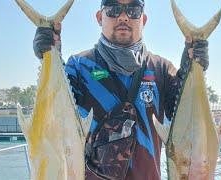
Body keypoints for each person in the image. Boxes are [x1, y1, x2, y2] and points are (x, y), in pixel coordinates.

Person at [33, 0, 209, 179]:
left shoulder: (162, 69)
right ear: (100, 17)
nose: (123, 16)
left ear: (144, 20)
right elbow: (56, 118)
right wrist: (50, 55)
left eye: (133, 10)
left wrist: (190, 71)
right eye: (113, 9)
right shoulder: (79, 66)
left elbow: (186, 123)